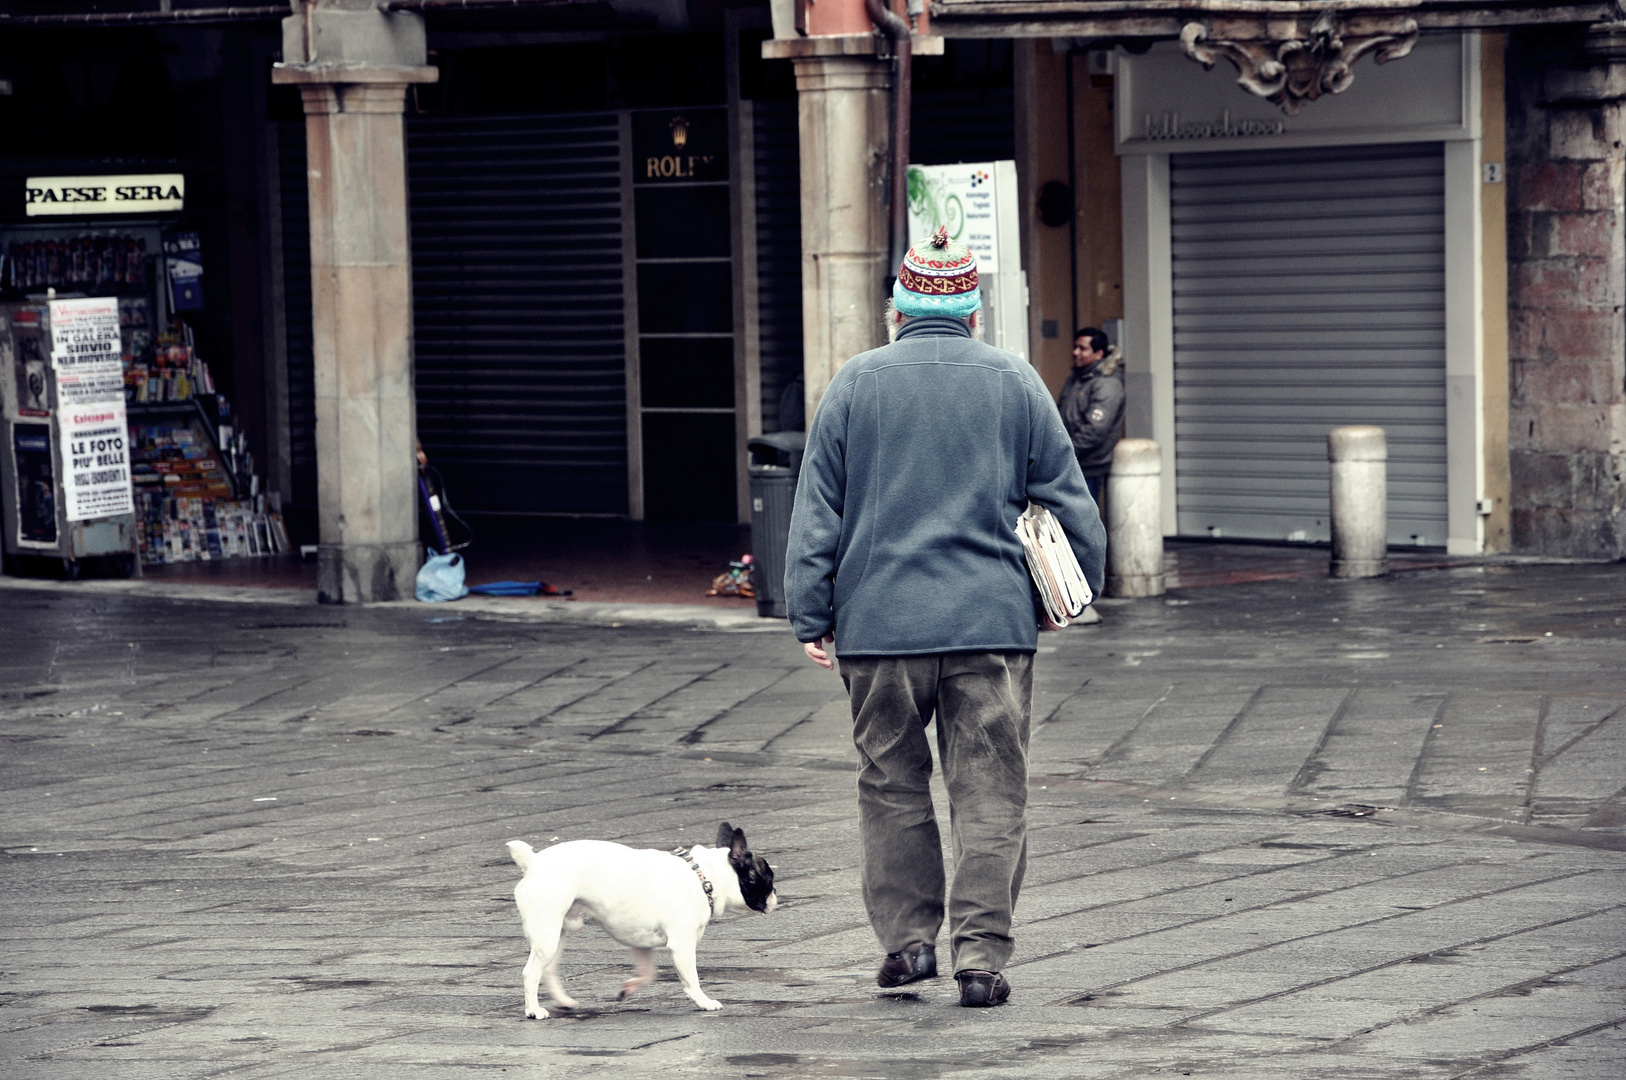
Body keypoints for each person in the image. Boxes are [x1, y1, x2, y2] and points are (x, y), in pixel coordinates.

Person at [784, 228, 1106, 1008]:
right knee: (992, 790)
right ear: (971, 311)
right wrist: (1070, 594)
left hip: (879, 626)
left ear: (898, 307)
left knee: (889, 785)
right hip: (990, 625)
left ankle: (906, 945)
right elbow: (1072, 507)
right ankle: (981, 959)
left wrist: (810, 613)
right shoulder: (1015, 380)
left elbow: (817, 509)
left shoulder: (856, 384)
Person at [1057, 327, 1125, 508]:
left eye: (1082, 348)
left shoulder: (1106, 383)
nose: (1075, 352)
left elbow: (1095, 429)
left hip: (1088, 466)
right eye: (1075, 347)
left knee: (1084, 518)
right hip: (1073, 461)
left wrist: (1066, 453)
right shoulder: (1077, 379)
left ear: (1098, 354)